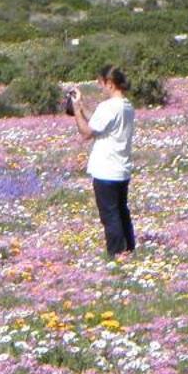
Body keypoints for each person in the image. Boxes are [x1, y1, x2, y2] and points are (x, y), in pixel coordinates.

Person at [70, 65, 136, 259]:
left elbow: (86, 132)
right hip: (121, 168)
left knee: (110, 215)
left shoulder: (108, 107)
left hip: (106, 169)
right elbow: (99, 123)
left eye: (101, 83)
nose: (101, 88)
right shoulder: (126, 106)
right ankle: (129, 248)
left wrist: (75, 111)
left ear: (110, 83)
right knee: (122, 211)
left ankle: (116, 252)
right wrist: (82, 107)